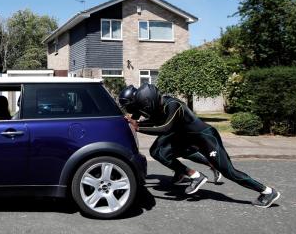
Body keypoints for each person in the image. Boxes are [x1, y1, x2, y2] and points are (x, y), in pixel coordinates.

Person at [119, 83, 281, 208]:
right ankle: (195, 176)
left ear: (150, 102)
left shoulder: (173, 106)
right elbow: (155, 122)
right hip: (186, 139)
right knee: (159, 152)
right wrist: (133, 121)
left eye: (144, 107)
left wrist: (138, 126)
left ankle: (267, 192)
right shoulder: (159, 106)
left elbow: (165, 127)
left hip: (206, 138)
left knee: (229, 172)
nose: (143, 110)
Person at [121, 86, 222, 186]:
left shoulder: (162, 103)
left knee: (161, 152)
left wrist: (138, 127)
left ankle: (195, 172)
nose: (127, 109)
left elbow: (163, 127)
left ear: (134, 100)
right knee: (172, 152)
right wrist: (132, 124)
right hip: (171, 129)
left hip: (180, 130)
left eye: (127, 105)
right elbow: (138, 122)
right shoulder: (141, 106)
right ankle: (189, 170)